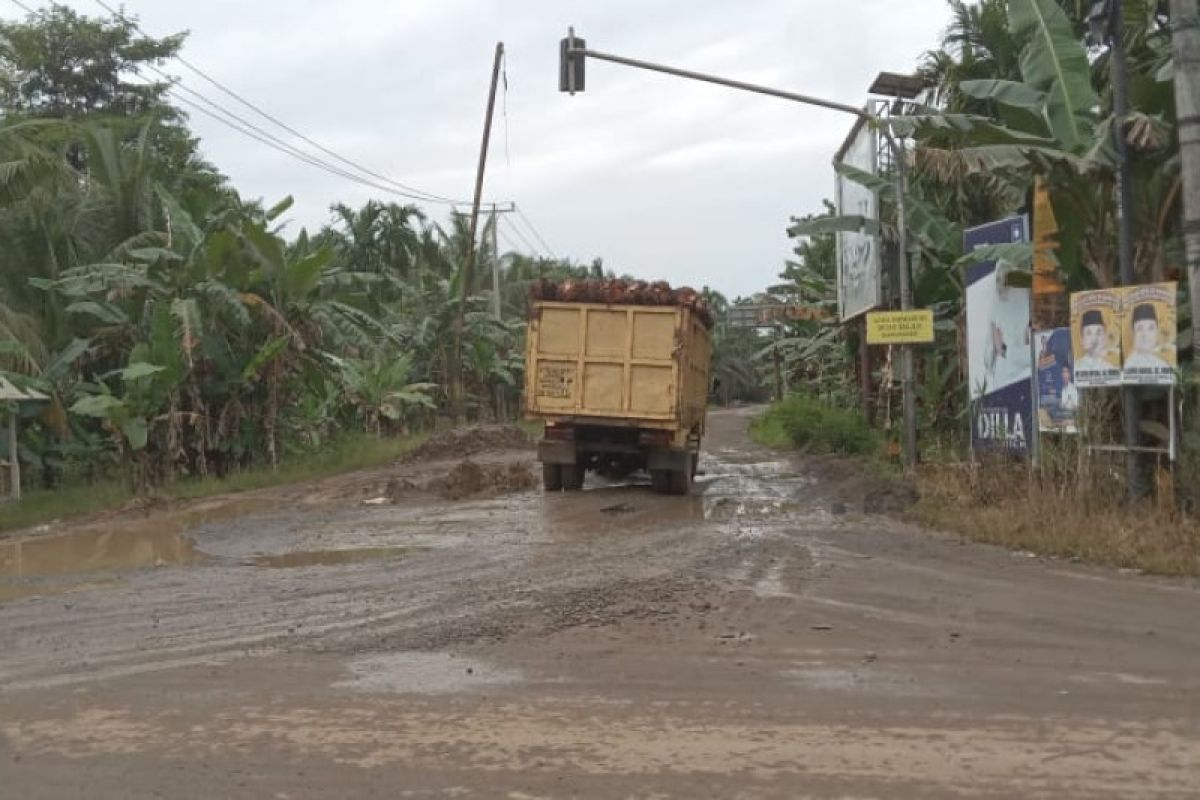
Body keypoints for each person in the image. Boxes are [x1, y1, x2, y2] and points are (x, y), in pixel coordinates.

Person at [1122, 303, 1172, 371]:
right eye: (1139, 328)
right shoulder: (1129, 365)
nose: (1145, 334)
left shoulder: (1163, 364)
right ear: (1133, 333)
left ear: (1157, 331)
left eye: (1151, 328)